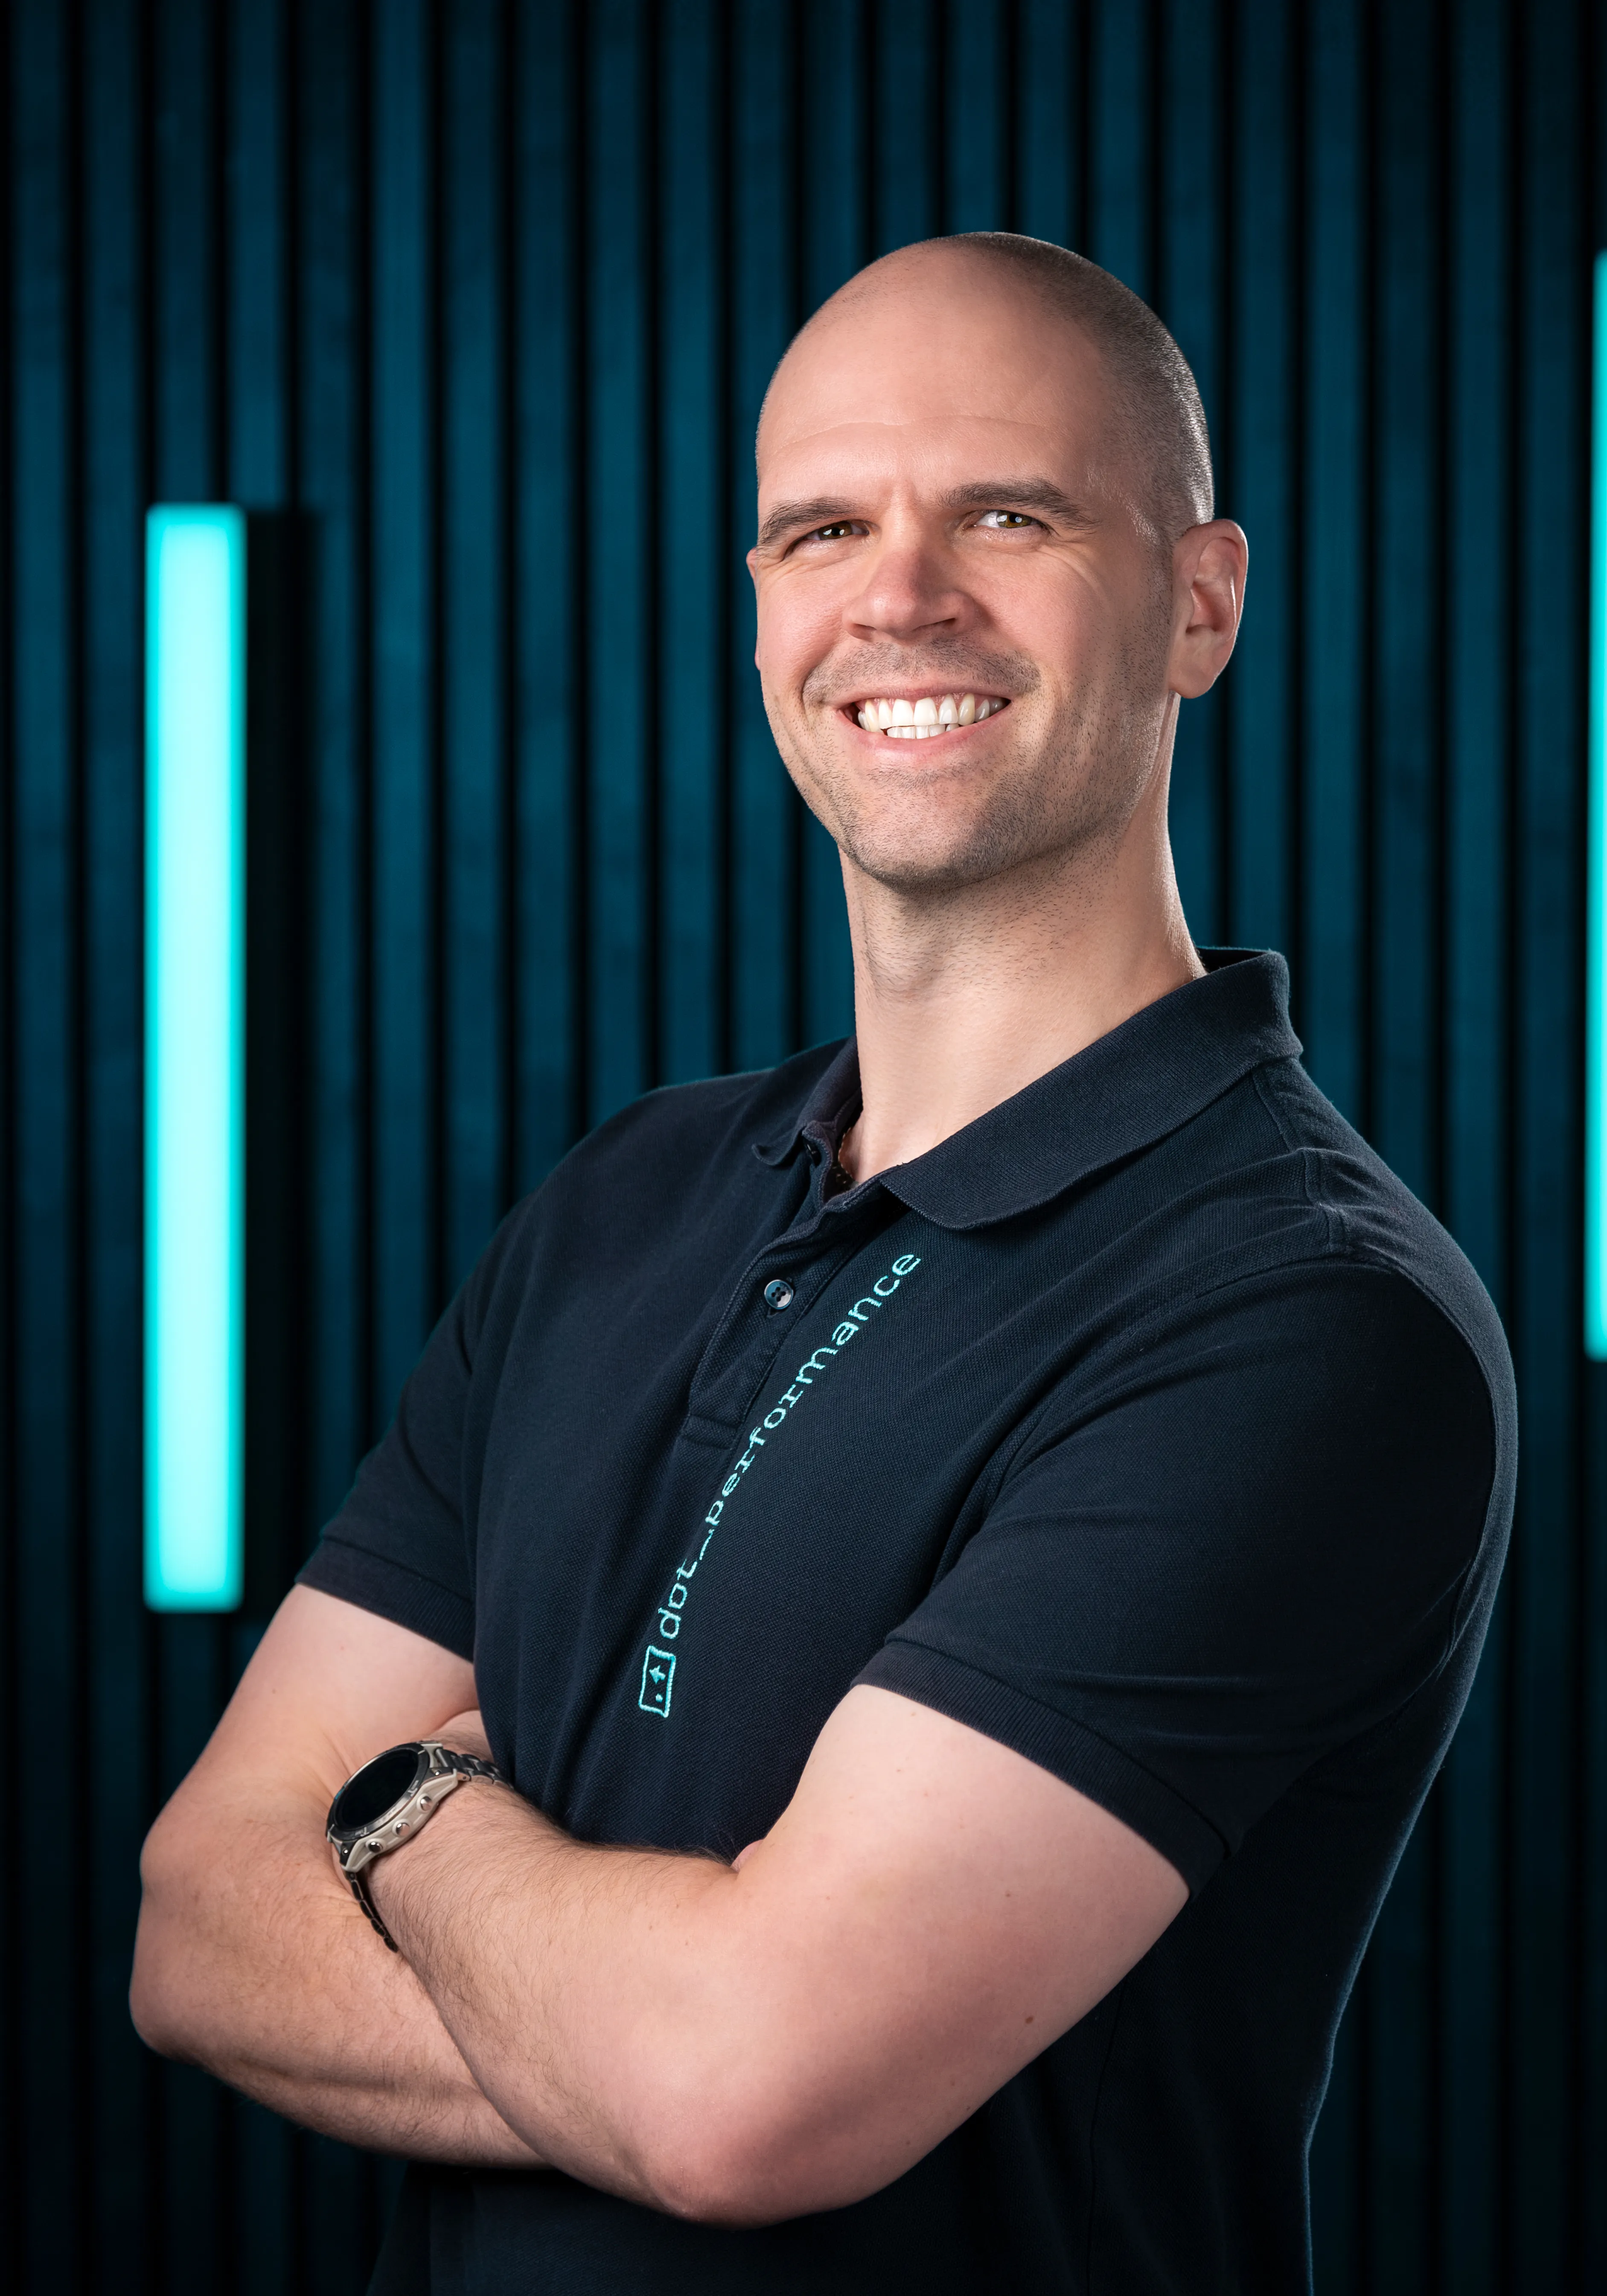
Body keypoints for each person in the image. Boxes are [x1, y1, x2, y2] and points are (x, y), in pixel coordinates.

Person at [131, 233, 1514, 2296]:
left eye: (1010, 513)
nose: (900, 596)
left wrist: (405, 1806)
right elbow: (192, 1929)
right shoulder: (624, 1198)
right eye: (822, 529)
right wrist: (656, 2022)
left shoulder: (1303, 1317)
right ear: (762, 606)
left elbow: (745, 2095)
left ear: (1202, 601)